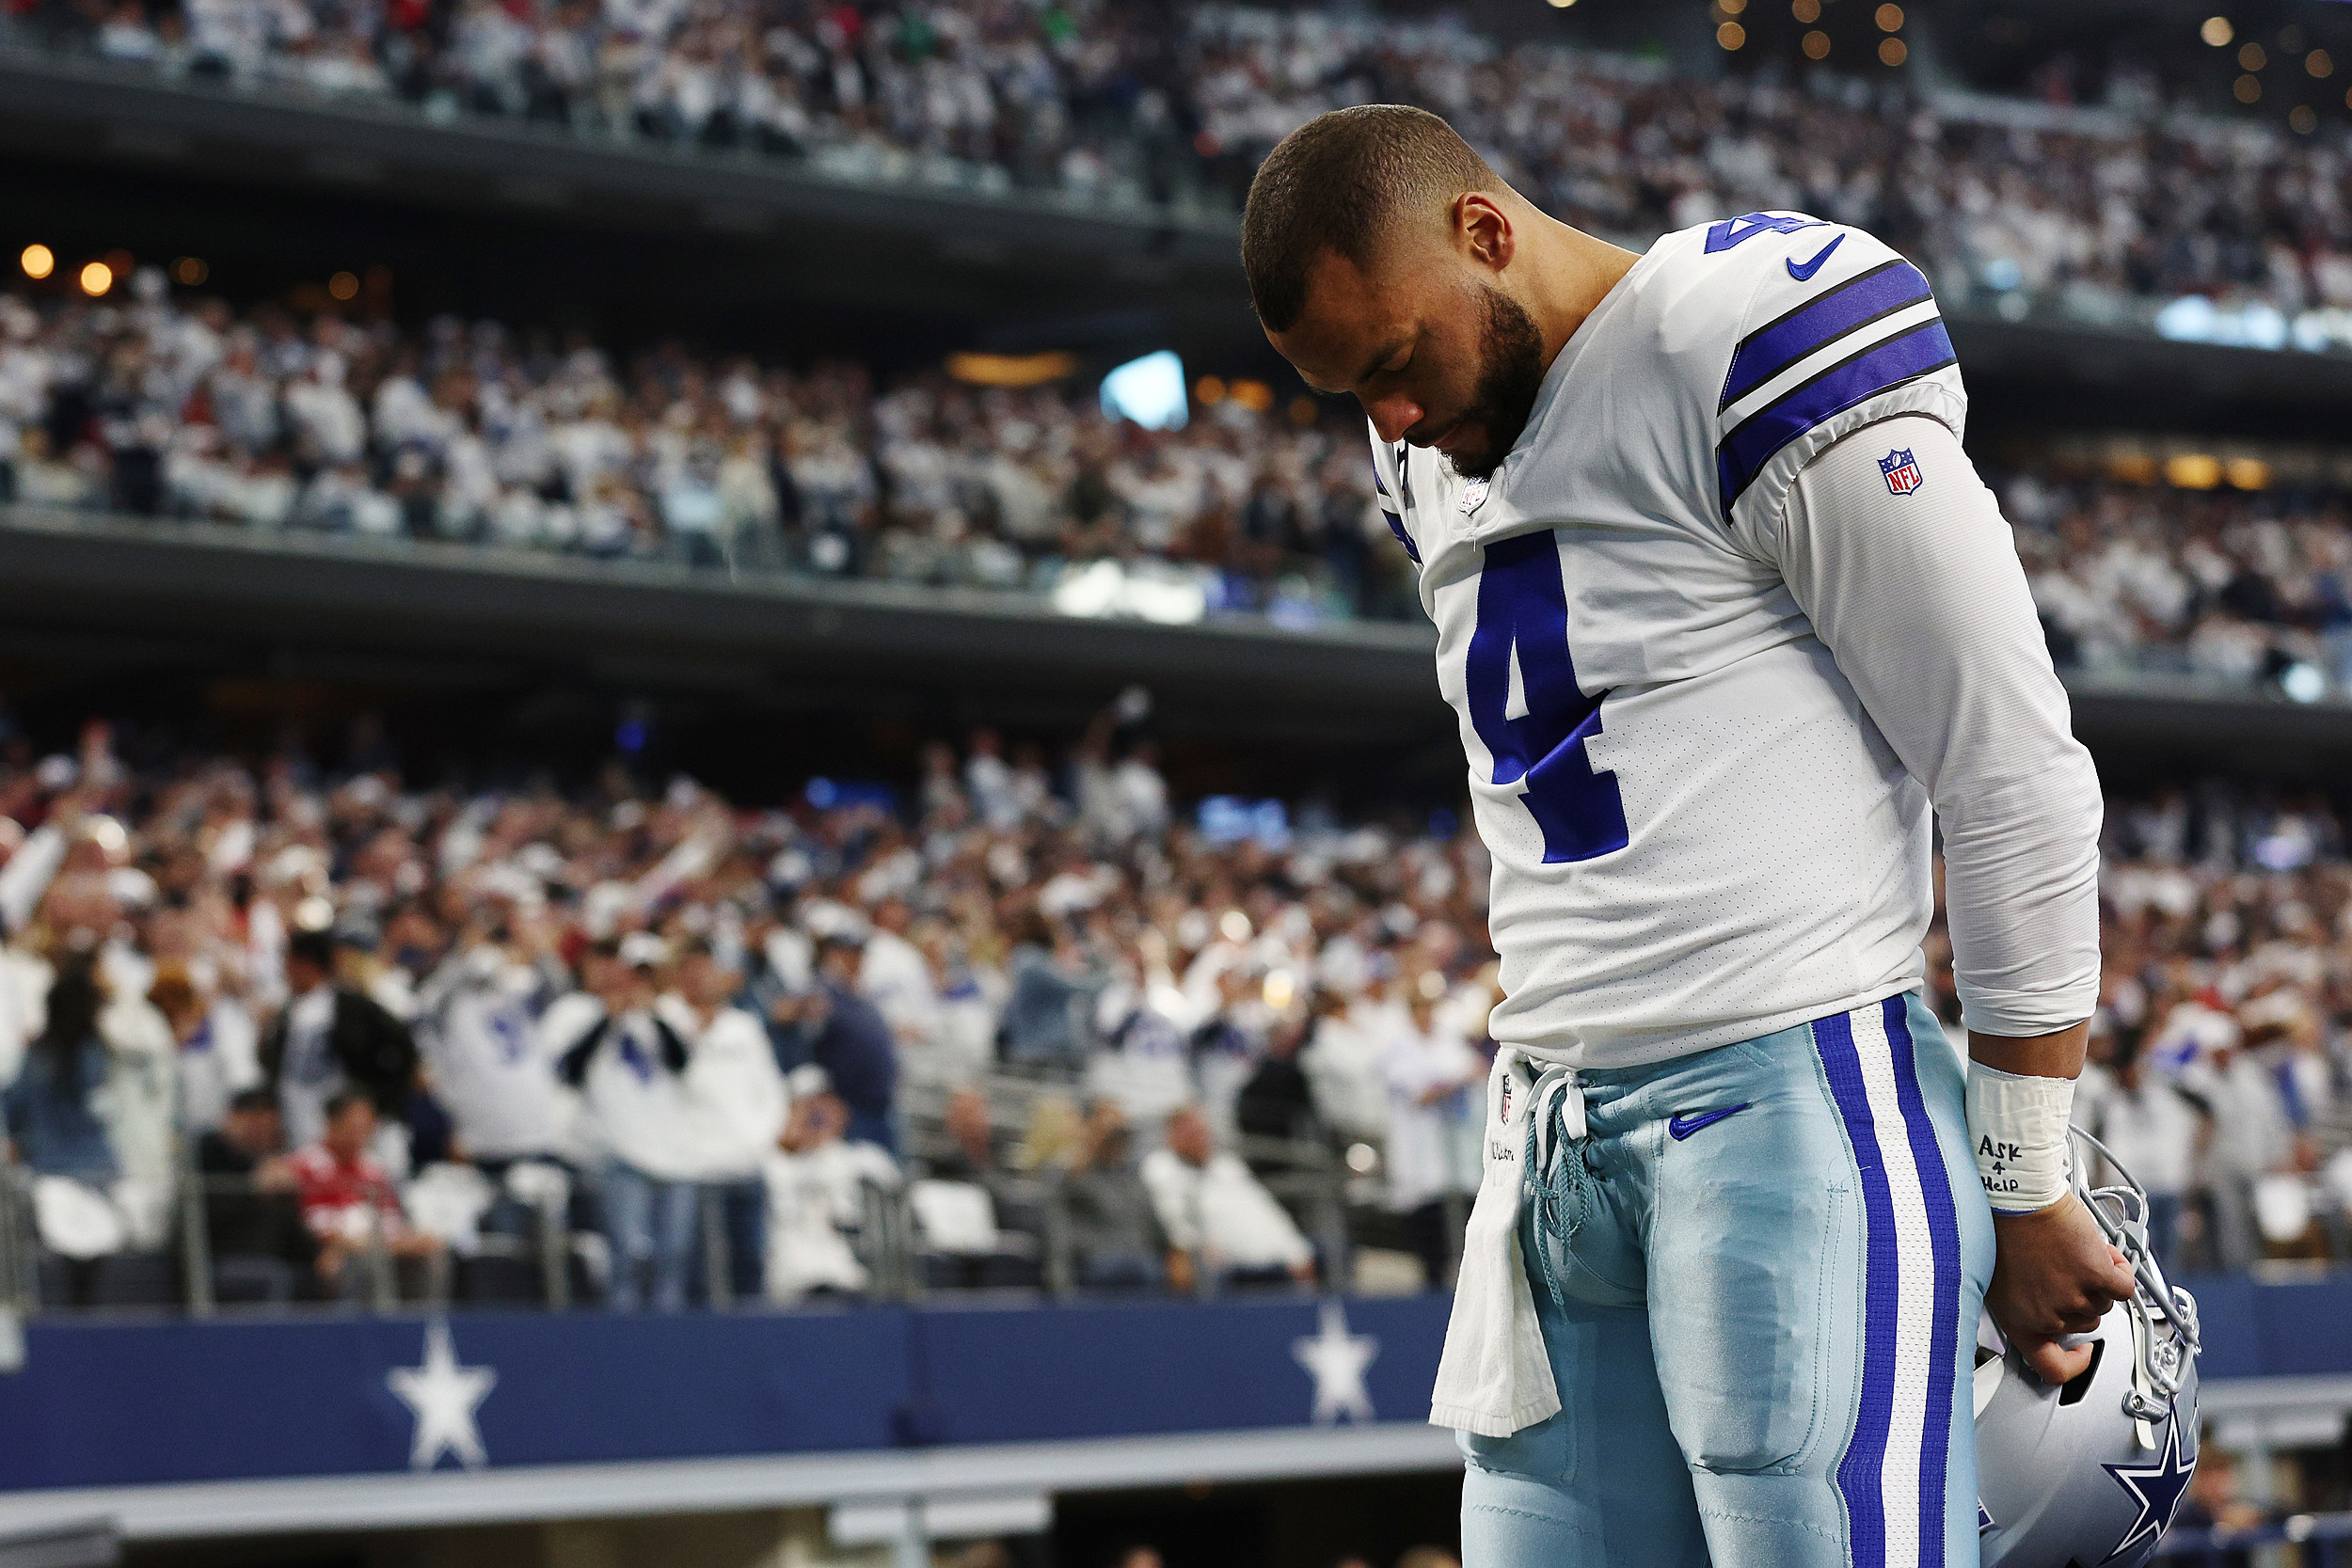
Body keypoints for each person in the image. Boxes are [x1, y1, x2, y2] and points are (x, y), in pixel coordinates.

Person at [1244, 106, 2126, 1563]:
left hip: (1791, 1096)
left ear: (1485, 232)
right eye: (1354, 389)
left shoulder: (1737, 336)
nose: (1390, 419)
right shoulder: (1426, 444)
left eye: (1396, 362)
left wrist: (2027, 1175)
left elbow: (2014, 772)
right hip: (1548, 1134)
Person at [261, 927, 419, 1151]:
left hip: (347, 1128)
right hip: (297, 1128)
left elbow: (404, 1048)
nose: (285, 970)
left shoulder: (350, 1006)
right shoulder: (288, 1012)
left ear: (306, 963)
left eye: (289, 961)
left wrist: (382, 1105)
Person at [1140, 1104, 1313, 1291]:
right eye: (1190, 1132)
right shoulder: (1160, 1168)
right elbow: (1176, 1224)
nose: (1199, 1138)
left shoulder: (1228, 1167)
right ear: (1171, 1136)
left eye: (1202, 1131)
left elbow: (1266, 1212)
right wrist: (1199, 1251)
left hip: (1271, 1268)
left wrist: (1297, 1252)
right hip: (1223, 1274)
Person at [287, 1088, 441, 1298]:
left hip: (379, 1244)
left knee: (432, 1251)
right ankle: (372, 1328)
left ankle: (428, 1324)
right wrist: (358, 1242)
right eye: (354, 1126)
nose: (361, 1134)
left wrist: (407, 1239)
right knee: (362, 1260)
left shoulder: (372, 1167)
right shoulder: (307, 1164)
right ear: (332, 1124)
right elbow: (314, 1224)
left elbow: (390, 1217)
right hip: (331, 1249)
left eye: (366, 1127)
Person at [195, 1087, 316, 1303]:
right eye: (255, 1122)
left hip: (274, 1256)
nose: (263, 1131)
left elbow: (292, 1228)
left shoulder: (275, 1161)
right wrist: (252, 1188)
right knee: (273, 1278)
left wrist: (320, 1254)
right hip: (219, 1259)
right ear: (234, 1119)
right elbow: (202, 1219)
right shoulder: (208, 1154)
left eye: (269, 1125)